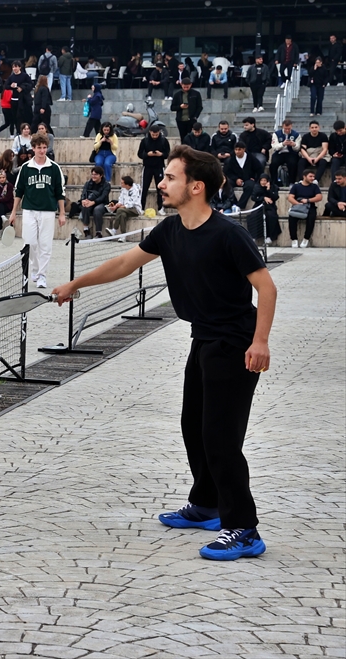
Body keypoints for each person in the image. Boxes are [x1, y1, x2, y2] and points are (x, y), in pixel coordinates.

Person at [52, 143, 277, 562]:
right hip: (203, 338)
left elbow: (266, 287)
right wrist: (75, 284)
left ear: (196, 187)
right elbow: (124, 263)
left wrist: (260, 341)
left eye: (171, 177)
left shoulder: (229, 234)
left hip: (235, 344)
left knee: (221, 437)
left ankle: (244, 528)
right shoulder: (170, 231)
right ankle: (207, 505)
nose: (162, 182)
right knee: (194, 426)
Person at [12, 134, 67, 288]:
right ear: (33, 148)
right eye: (39, 148)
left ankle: (42, 275)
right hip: (29, 210)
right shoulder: (25, 168)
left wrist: (62, 213)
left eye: (44, 147)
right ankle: (35, 269)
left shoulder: (54, 168)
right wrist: (13, 212)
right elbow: (19, 191)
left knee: (45, 245)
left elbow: (60, 192)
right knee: (30, 243)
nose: (42, 150)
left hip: (48, 211)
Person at [71, 167, 111, 238]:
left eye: (96, 174)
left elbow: (103, 197)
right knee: (85, 206)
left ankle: (98, 232)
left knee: (97, 210)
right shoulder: (88, 183)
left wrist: (93, 202)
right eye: (92, 174)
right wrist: (83, 200)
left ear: (101, 175)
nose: (93, 176)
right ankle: (86, 229)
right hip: (89, 201)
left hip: (102, 203)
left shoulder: (106, 185)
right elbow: (83, 193)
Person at [138, 125, 170, 214]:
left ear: (159, 132)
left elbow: (167, 154)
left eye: (156, 134)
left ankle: (161, 208)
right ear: (150, 132)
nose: (155, 136)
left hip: (159, 167)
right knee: (144, 188)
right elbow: (140, 154)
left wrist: (161, 154)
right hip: (147, 167)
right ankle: (141, 207)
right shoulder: (144, 141)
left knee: (160, 188)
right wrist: (147, 154)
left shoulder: (164, 141)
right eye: (153, 135)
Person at [287, 168, 322, 248]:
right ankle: (294, 239)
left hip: (310, 206)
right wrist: (298, 204)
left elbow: (319, 197)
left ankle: (306, 238)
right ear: (304, 176)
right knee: (292, 218)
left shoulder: (314, 187)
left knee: (311, 218)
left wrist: (308, 200)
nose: (312, 178)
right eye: (310, 176)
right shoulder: (296, 186)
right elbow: (290, 197)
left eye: (313, 177)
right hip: (298, 206)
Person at [223, 142, 264, 209]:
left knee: (250, 186)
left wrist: (255, 178)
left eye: (239, 149)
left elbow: (259, 169)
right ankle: (233, 203)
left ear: (244, 149)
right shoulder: (231, 160)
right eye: (236, 149)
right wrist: (236, 179)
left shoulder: (251, 158)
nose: (237, 151)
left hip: (248, 179)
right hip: (235, 180)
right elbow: (227, 172)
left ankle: (240, 206)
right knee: (227, 184)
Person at [249, 174, 282, 243]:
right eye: (262, 180)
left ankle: (269, 236)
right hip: (259, 205)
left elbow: (275, 197)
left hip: (270, 206)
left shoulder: (274, 187)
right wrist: (263, 198)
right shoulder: (256, 187)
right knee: (254, 216)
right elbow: (253, 197)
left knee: (271, 216)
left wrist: (268, 189)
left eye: (265, 180)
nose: (263, 182)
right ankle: (254, 236)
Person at [270, 119, 301, 186]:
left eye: (288, 129)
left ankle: (291, 182)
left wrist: (293, 145)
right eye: (285, 128)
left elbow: (298, 148)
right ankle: (274, 182)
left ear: (291, 126)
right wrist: (283, 144)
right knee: (273, 164)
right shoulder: (276, 134)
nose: (287, 130)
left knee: (293, 163)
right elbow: (274, 147)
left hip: (291, 153)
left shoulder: (296, 135)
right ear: (282, 127)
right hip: (279, 153)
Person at [6, 61, 32, 135]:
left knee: (24, 116)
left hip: (23, 100)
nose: (14, 69)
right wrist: (11, 86)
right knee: (16, 117)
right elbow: (6, 86)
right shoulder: (11, 77)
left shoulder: (25, 76)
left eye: (16, 67)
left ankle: (27, 131)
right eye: (13, 67)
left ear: (20, 67)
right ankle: (18, 132)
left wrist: (22, 88)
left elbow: (30, 85)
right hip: (14, 100)